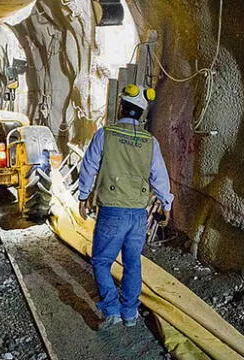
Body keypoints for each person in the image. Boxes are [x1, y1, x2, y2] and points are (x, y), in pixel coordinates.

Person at [78, 84, 174, 330]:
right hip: (138, 215)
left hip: (112, 210)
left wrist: (83, 196)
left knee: (101, 261)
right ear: (142, 114)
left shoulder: (105, 134)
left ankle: (112, 310)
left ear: (121, 107)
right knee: (133, 263)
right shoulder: (149, 141)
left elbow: (89, 166)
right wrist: (166, 203)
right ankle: (130, 314)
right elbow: (159, 176)